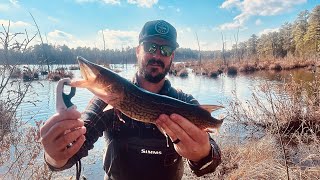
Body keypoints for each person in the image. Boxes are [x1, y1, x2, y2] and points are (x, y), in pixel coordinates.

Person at [40, 20, 221, 180]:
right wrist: (56, 154)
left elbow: (210, 162)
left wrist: (203, 154)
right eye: (150, 47)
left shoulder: (184, 101)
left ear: (172, 57)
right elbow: (71, 153)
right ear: (138, 51)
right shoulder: (105, 101)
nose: (157, 55)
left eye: (165, 50)